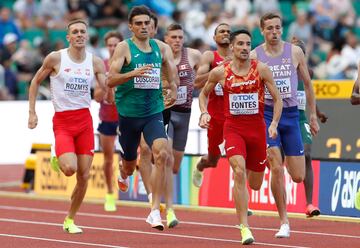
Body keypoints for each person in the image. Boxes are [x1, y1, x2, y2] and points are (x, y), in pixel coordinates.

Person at [199, 29, 282, 245]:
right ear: (232, 47)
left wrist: (273, 123)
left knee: (254, 184)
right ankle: (244, 227)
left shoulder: (261, 69)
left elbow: (278, 99)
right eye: (241, 44)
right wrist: (204, 112)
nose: (245, 48)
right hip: (233, 129)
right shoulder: (220, 72)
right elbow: (203, 94)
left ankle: (246, 200)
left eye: (248, 44)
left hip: (257, 130)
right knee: (237, 171)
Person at [28, 19, 107, 233]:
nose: (80, 34)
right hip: (63, 122)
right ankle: (58, 156)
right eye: (75, 32)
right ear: (68, 37)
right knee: (70, 169)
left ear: (87, 35)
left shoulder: (96, 62)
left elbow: (106, 90)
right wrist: (32, 112)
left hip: (84, 122)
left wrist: (110, 93)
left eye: (83, 31)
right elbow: (35, 82)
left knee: (84, 176)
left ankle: (70, 220)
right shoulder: (55, 58)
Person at [107, 5, 177, 231]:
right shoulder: (123, 48)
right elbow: (110, 79)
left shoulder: (161, 48)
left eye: (146, 23)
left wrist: (173, 89)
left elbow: (170, 70)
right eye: (138, 23)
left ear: (152, 25)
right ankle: (124, 170)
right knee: (129, 164)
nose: (143, 27)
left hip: (153, 111)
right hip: (128, 115)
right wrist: (132, 73)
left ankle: (155, 210)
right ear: (131, 27)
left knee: (162, 152)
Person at [251, 12, 320, 238]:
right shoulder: (255, 56)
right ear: (262, 31)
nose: (274, 32)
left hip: (291, 115)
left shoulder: (295, 52)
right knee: (276, 166)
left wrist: (312, 116)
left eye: (278, 28)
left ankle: (286, 166)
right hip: (268, 115)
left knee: (298, 175)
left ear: (282, 29)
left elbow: (308, 86)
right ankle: (284, 221)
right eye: (269, 28)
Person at [163, 23, 201, 227]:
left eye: (180, 37)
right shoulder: (160, 55)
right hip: (166, 113)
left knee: (175, 166)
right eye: (173, 37)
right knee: (167, 159)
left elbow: (207, 74)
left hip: (185, 115)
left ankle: (158, 174)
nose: (177, 41)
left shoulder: (193, 55)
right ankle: (169, 209)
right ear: (166, 39)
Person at [192, 23, 232, 187]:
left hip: (235, 116)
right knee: (213, 160)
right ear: (214, 37)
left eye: (229, 31)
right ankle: (200, 165)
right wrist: (219, 69)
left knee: (238, 156)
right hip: (215, 117)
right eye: (222, 31)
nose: (226, 33)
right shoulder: (210, 56)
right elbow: (197, 83)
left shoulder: (240, 56)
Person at [292, 38, 328, 217]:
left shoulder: (309, 72)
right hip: (283, 119)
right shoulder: (281, 71)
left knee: (307, 154)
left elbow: (308, 94)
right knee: (278, 158)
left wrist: (317, 113)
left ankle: (309, 204)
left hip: (301, 118)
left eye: (300, 53)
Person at [95, 30, 123, 212]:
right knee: (107, 159)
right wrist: (107, 86)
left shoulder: (127, 64)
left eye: (116, 45)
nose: (113, 48)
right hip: (107, 117)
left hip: (125, 116)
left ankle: (125, 177)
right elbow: (96, 96)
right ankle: (110, 193)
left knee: (131, 154)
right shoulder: (101, 65)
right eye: (110, 45)